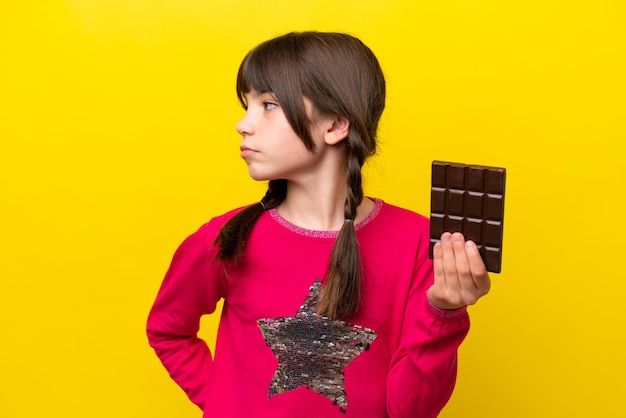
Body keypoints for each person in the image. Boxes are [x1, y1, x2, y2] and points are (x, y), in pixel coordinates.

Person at [147, 31, 491, 418]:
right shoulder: (227, 238)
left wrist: (442, 310)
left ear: (335, 125)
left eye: (269, 104)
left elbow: (409, 409)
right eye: (247, 105)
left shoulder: (416, 243)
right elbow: (167, 330)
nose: (243, 125)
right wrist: (224, 403)